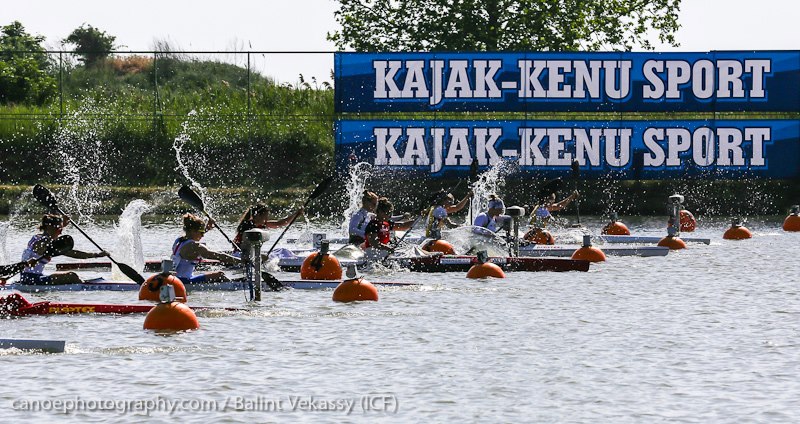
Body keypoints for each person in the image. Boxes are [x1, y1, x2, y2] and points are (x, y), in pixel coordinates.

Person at [19, 214, 109, 285]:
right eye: (59, 229)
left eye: (61, 228)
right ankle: (83, 286)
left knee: (71, 276)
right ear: (49, 227)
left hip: (28, 278)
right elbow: (72, 253)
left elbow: (51, 237)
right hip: (32, 280)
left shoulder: (36, 237)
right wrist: (96, 255)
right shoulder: (43, 242)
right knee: (72, 277)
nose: (61, 232)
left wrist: (61, 224)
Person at [172, 214, 241, 284]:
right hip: (184, 281)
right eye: (201, 232)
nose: (203, 235)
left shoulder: (179, 241)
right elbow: (219, 256)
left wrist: (208, 227)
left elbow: (195, 233)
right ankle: (236, 287)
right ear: (193, 231)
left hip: (175, 279)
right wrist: (240, 261)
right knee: (220, 275)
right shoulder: (195, 246)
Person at [233, 203, 304, 249]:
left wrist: (295, 214)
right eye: (265, 216)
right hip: (240, 253)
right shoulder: (247, 226)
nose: (267, 219)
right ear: (258, 215)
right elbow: (239, 244)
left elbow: (279, 223)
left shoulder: (260, 224)